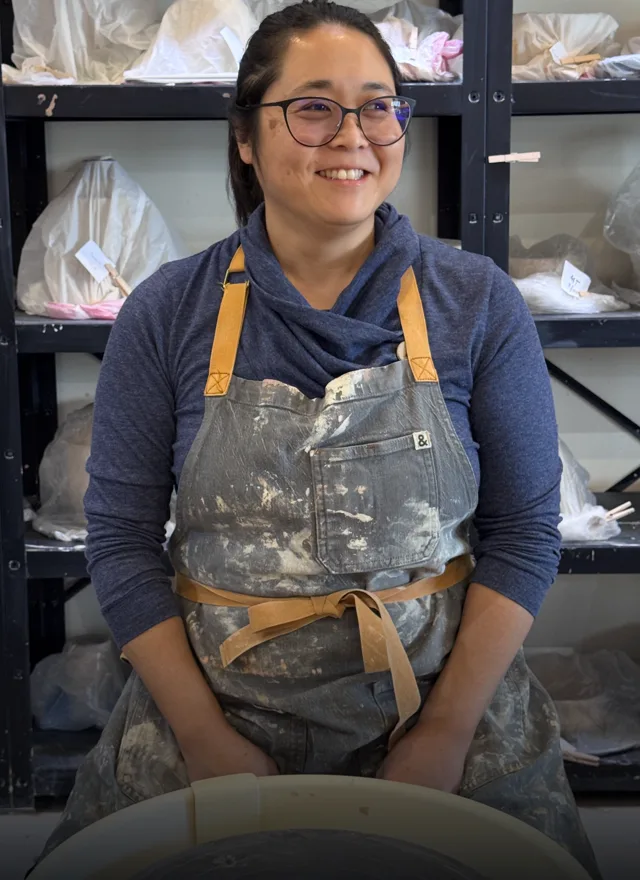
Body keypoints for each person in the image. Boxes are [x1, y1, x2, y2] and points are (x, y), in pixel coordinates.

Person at [38, 1, 598, 876]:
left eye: (378, 105)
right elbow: (119, 541)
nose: (354, 134)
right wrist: (201, 735)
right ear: (246, 138)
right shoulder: (169, 312)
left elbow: (525, 533)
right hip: (216, 706)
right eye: (313, 106)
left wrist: (447, 732)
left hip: (438, 699)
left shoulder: (474, 300)